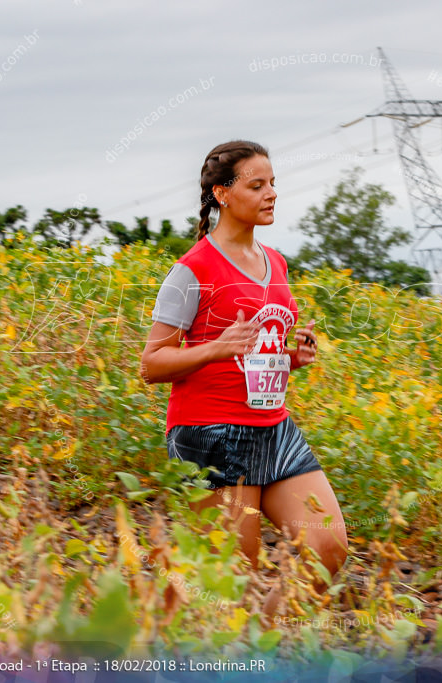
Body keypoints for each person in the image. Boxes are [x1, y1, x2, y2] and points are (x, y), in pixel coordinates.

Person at [139, 140, 348, 617]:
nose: (271, 193)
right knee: (234, 581)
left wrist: (290, 359)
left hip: (273, 429)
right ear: (222, 194)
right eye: (257, 185)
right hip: (211, 432)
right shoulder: (191, 270)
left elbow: (256, 349)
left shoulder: (276, 263)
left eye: (273, 183)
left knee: (328, 551)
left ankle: (267, 638)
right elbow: (151, 364)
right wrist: (216, 347)